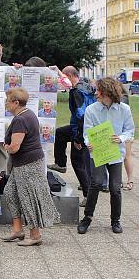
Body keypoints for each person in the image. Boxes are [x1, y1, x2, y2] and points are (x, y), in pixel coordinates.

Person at [1, 87, 60, 246]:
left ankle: (35, 235)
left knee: (28, 199)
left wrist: (6, 146)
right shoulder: (27, 114)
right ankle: (17, 230)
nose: (6, 104)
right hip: (25, 163)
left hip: (27, 164)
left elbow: (15, 147)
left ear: (16, 102)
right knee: (10, 192)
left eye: (8, 101)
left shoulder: (21, 119)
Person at [78, 78, 135, 235]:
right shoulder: (91, 110)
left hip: (115, 153)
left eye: (99, 91)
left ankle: (115, 220)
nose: (96, 93)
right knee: (95, 183)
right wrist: (88, 142)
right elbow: (87, 132)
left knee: (115, 188)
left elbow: (130, 130)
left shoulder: (124, 109)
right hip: (98, 152)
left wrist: (121, 138)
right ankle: (87, 218)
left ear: (108, 93)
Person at [48, 67, 94, 206]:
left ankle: (88, 196)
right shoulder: (85, 86)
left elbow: (81, 115)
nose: (61, 82)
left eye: (63, 78)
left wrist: (78, 138)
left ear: (70, 76)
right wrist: (57, 71)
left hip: (82, 129)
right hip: (89, 126)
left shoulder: (77, 92)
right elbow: (67, 82)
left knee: (78, 163)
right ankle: (61, 164)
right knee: (60, 133)